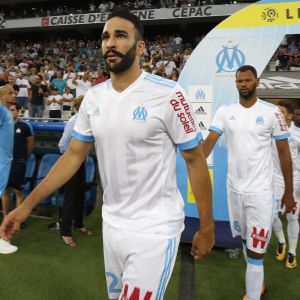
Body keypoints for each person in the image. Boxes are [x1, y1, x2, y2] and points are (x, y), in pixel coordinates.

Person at [0, 9, 214, 299]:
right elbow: (73, 156)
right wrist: (26, 207)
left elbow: (195, 159)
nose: (110, 42)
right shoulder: (93, 97)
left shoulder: (169, 94)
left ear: (140, 47)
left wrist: (207, 226)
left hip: (155, 228)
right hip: (112, 224)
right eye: (105, 37)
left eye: (120, 35)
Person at [202, 65, 295, 300]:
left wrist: (288, 193)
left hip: (261, 193)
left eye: (247, 80)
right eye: (239, 81)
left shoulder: (273, 112)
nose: (243, 84)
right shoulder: (225, 111)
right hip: (234, 191)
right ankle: (259, 285)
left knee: (255, 252)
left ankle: (253, 295)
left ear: (257, 81)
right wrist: (191, 159)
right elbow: (209, 142)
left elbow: (284, 154)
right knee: (246, 242)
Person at [58, 96, 92, 247]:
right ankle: (65, 232)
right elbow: (62, 145)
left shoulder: (88, 121)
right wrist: (73, 158)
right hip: (71, 163)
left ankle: (78, 224)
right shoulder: (73, 122)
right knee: (70, 197)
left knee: (80, 195)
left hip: (81, 162)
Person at [272, 101, 300, 269]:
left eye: (281, 112)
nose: (277, 115)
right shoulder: (270, 132)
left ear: (289, 115)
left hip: (295, 182)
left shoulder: (296, 135)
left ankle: (292, 252)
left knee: (292, 217)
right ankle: (281, 241)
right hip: (274, 181)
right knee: (271, 215)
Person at [2, 102, 34, 220]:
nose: (10, 112)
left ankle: (16, 219)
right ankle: (6, 217)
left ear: (17, 111)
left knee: (18, 191)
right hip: (5, 164)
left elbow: (31, 143)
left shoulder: (25, 126)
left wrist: (23, 157)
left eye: (12, 110)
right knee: (6, 191)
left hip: (18, 163)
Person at [0, 85, 17, 254]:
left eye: (14, 92)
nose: (14, 95)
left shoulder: (6, 111)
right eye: (10, 93)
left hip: (5, 160)